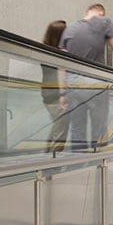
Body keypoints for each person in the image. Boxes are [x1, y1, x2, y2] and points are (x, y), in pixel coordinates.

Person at [61, 3, 113, 150]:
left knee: (77, 128)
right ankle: (99, 163)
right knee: (99, 127)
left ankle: (78, 164)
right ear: (101, 13)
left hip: (73, 86)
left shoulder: (69, 30)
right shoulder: (104, 22)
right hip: (95, 85)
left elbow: (61, 64)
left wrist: (62, 92)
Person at [40, 20, 69, 153]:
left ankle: (47, 154)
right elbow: (61, 73)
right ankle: (53, 160)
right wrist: (63, 95)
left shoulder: (44, 50)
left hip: (46, 93)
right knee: (61, 128)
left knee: (57, 125)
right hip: (58, 95)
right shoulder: (61, 53)